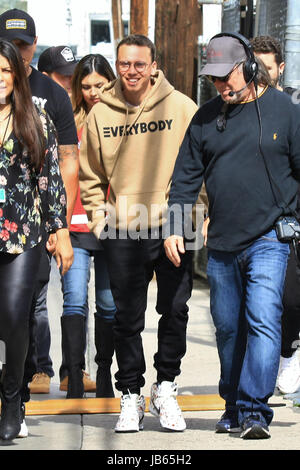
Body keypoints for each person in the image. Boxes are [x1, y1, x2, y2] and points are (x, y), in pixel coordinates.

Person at [164, 32, 300, 439]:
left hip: (269, 238)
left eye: (228, 76)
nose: (221, 85)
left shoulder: (286, 111)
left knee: (263, 319)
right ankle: (233, 404)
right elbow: (184, 179)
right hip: (222, 241)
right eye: (215, 79)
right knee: (227, 327)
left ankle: (255, 410)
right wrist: (174, 227)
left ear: (251, 69)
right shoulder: (205, 118)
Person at [79, 34, 198, 432]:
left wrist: (189, 220)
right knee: (126, 318)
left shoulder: (181, 107)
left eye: (139, 64)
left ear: (153, 66)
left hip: (171, 225)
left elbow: (200, 169)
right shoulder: (100, 114)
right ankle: (130, 393)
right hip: (122, 228)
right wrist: (100, 220)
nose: (131, 72)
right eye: (124, 64)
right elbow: (91, 176)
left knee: (175, 312)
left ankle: (165, 387)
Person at [0, 9, 79, 395]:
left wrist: (56, 224)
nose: (19, 52)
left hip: (25, 226)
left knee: (26, 307)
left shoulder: (49, 100)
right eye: (10, 46)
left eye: (24, 46)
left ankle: (23, 384)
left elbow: (62, 164)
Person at [59, 54, 117, 398]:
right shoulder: (68, 121)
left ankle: (105, 373)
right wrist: (57, 226)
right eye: (86, 86)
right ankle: (75, 379)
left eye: (100, 85)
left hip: (112, 227)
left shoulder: (122, 118)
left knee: (109, 305)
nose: (93, 92)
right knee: (74, 301)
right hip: (75, 229)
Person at [251, 35, 300, 395]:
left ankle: (288, 355)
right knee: (271, 300)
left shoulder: (293, 105)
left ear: (280, 68)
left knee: (291, 297)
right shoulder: (241, 106)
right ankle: (273, 364)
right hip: (257, 218)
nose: (261, 74)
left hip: (292, 213)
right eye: (256, 67)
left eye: (267, 67)